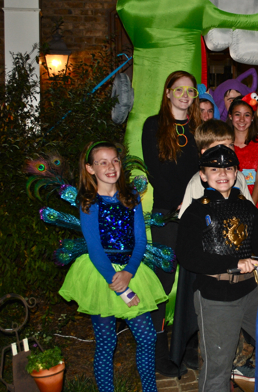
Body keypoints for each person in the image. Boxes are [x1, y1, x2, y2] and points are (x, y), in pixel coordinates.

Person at [175, 145, 258, 392]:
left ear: (236, 173)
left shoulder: (247, 207)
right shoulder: (195, 211)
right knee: (218, 367)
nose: (222, 174)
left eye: (228, 168)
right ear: (203, 175)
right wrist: (232, 263)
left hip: (251, 290)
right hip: (216, 294)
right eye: (214, 169)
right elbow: (188, 256)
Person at [59, 141, 167, 392]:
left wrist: (129, 273)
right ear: (90, 168)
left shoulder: (131, 198)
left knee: (147, 336)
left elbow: (140, 241)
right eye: (103, 162)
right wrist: (120, 287)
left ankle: (149, 389)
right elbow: (94, 249)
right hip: (101, 274)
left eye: (115, 160)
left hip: (131, 270)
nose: (111, 167)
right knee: (106, 343)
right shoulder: (89, 202)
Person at [141, 70, 202, 377]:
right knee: (163, 282)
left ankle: (188, 348)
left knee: (194, 280)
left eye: (190, 90)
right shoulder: (153, 125)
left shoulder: (198, 127)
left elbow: (203, 170)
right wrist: (180, 202)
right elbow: (155, 171)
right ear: (167, 93)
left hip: (195, 213)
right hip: (167, 214)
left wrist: (193, 201)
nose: (184, 95)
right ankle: (158, 354)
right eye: (179, 89)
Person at [228, 98, 258, 218]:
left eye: (246, 115)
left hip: (257, 200)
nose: (242, 119)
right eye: (237, 114)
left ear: (252, 118)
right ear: (230, 116)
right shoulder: (225, 143)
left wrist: (250, 206)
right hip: (230, 200)